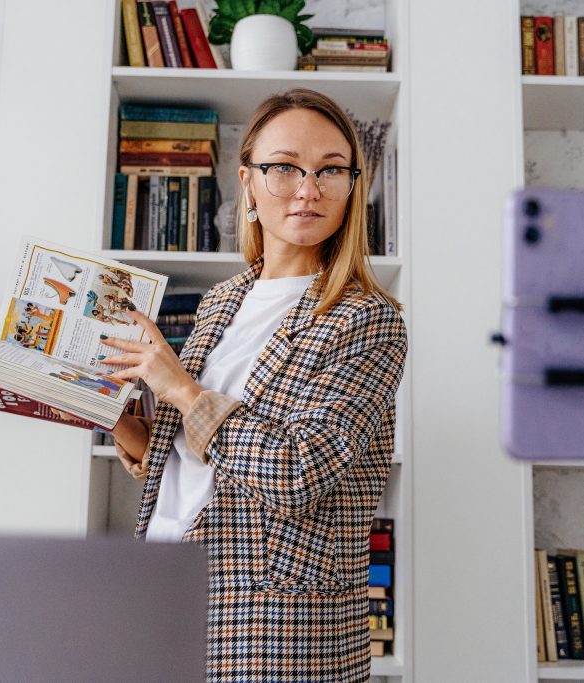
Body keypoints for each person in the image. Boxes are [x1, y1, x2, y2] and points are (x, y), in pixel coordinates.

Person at [99, 88, 407, 682]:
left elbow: (296, 472)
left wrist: (182, 389)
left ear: (352, 186)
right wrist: (117, 417)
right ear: (248, 182)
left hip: (276, 626)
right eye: (285, 167)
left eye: (331, 170)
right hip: (164, 584)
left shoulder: (365, 318)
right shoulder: (220, 303)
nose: (308, 188)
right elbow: (190, 457)